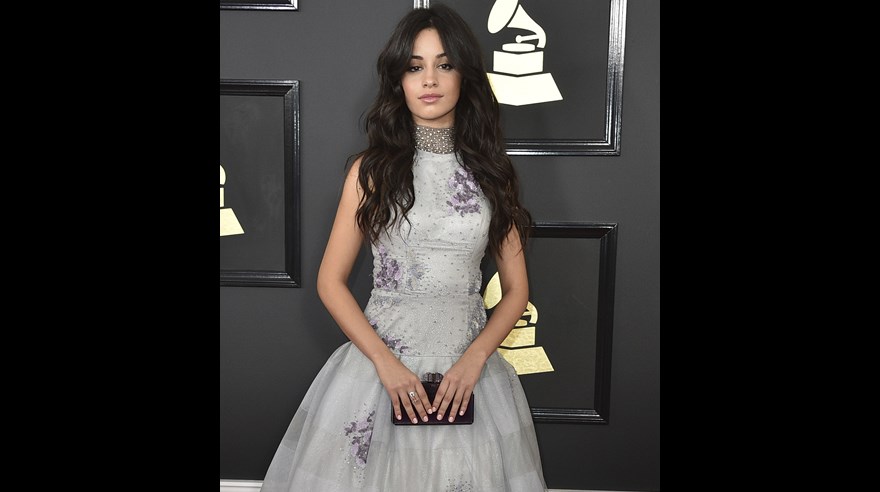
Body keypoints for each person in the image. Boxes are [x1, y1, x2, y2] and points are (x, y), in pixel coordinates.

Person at [260, 4, 547, 491]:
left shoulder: (492, 174)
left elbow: (517, 290)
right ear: (398, 80)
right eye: (415, 67)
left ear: (464, 77)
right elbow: (330, 282)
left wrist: (475, 359)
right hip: (380, 370)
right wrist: (386, 365)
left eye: (444, 64)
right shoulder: (370, 172)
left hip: (468, 375)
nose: (429, 79)